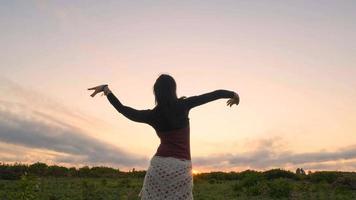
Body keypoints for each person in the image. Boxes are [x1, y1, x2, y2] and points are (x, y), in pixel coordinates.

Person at [88, 74, 239, 199]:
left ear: (156, 93)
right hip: (182, 168)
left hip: (158, 166)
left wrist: (106, 89)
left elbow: (123, 110)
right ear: (174, 89)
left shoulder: (152, 115)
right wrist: (234, 95)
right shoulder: (184, 105)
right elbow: (214, 94)